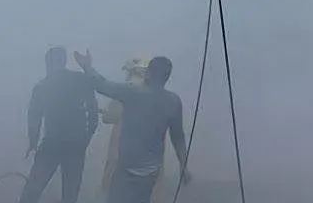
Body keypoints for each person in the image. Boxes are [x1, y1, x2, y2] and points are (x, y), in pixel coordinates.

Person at [73, 49, 191, 203]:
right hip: (150, 173)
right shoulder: (173, 102)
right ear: (166, 77)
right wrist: (183, 165)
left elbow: (101, 85)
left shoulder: (132, 92)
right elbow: (178, 137)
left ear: (148, 73)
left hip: (126, 172)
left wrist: (87, 66)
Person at [17, 46, 99, 203]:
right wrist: (86, 139)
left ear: (48, 63)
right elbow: (93, 112)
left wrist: (33, 143)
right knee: (70, 194)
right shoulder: (80, 79)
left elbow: (34, 117)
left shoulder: (42, 86)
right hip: (76, 144)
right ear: (64, 61)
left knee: (32, 191)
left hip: (51, 143)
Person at [99, 57, 171, 203]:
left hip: (124, 155)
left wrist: (104, 112)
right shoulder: (160, 94)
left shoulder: (130, 90)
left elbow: (109, 117)